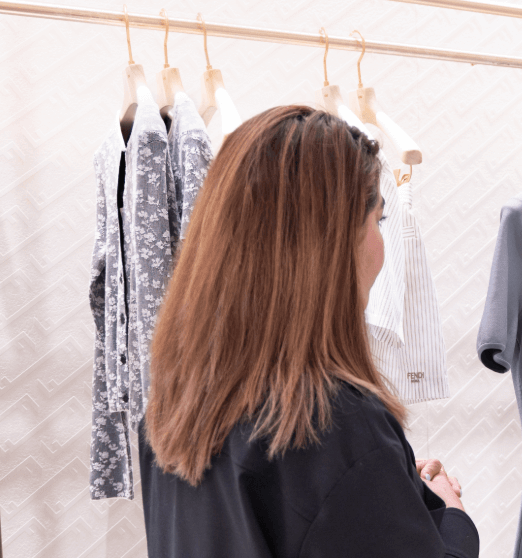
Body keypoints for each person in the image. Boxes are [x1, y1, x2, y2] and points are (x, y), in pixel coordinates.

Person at [138, 106, 479, 558]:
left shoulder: (171, 411)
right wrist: (451, 512)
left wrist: (386, 491)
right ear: (331, 246)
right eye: (377, 221)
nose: (381, 247)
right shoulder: (335, 424)